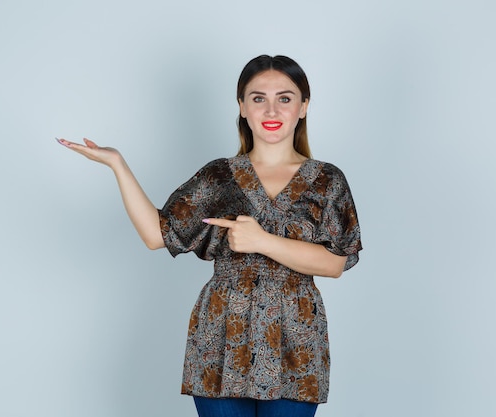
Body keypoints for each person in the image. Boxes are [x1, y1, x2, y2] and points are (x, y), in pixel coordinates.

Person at [56, 54, 362, 417]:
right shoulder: (219, 176)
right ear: (242, 107)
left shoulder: (327, 181)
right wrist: (118, 165)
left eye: (285, 97)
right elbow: (158, 234)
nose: (271, 109)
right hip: (222, 335)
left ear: (304, 106)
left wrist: (262, 241)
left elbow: (335, 262)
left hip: (294, 339)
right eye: (258, 98)